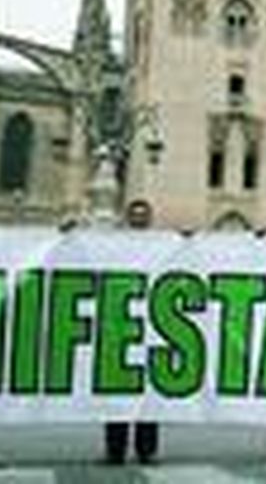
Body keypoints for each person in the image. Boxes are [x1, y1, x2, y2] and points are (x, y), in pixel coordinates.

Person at [104, 198, 161, 466]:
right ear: (128, 218)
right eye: (135, 215)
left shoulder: (162, 245)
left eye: (143, 215)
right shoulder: (114, 245)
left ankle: (146, 449)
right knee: (117, 395)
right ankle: (115, 449)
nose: (139, 219)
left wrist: (188, 242)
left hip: (151, 329)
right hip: (120, 329)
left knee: (149, 396)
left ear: (149, 220)